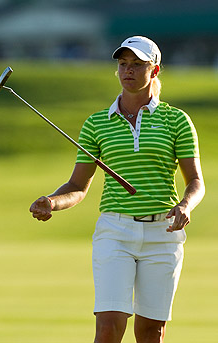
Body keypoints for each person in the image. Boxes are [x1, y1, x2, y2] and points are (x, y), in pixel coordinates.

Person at [30, 36, 205, 343]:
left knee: (152, 332)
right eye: (123, 64)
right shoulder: (97, 124)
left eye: (138, 64)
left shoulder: (176, 120)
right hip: (115, 231)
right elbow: (76, 185)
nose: (128, 70)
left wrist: (184, 205)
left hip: (162, 235)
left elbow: (195, 181)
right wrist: (52, 202)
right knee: (109, 326)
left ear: (155, 70)